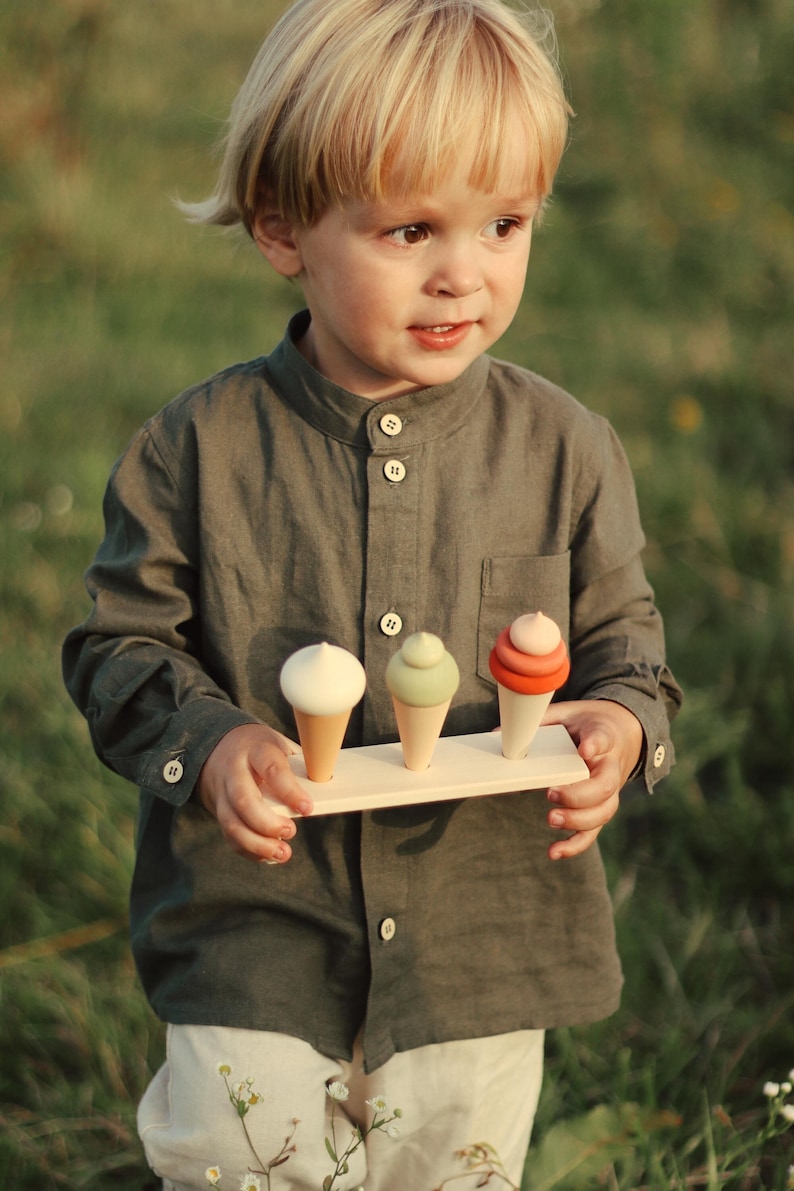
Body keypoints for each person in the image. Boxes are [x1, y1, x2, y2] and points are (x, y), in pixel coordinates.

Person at [62, 0, 682, 1188]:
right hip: (253, 926)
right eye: (410, 229)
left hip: (480, 945)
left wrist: (616, 727)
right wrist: (211, 739)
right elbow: (116, 646)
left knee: (449, 1169)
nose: (464, 273)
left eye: (503, 223)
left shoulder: (565, 448)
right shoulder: (194, 449)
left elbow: (626, 649)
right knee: (240, 1159)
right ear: (283, 229)